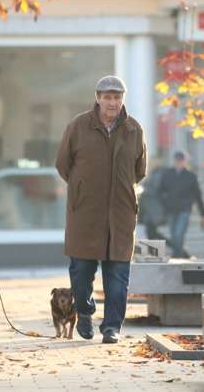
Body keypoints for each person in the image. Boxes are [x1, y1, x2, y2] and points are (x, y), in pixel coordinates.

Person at [55, 75, 147, 344]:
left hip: (120, 214)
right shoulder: (78, 126)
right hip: (85, 213)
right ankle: (83, 311)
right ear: (97, 98)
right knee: (81, 272)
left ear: (122, 100)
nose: (112, 102)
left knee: (118, 274)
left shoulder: (134, 129)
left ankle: (111, 327)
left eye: (117, 97)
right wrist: (83, 188)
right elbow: (63, 164)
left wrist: (121, 192)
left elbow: (139, 170)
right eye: (107, 97)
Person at [158, 152, 204, 259]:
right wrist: (164, 204)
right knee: (173, 235)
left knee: (178, 234)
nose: (179, 162)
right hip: (170, 209)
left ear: (185, 161)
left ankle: (177, 255)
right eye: (177, 160)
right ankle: (181, 254)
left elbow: (198, 196)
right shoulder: (167, 175)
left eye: (181, 160)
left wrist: (203, 213)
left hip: (184, 210)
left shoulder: (191, 177)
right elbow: (160, 191)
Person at [138, 164, 169, 243]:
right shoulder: (157, 182)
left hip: (151, 213)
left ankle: (178, 249)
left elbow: (145, 198)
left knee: (152, 233)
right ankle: (178, 249)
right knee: (152, 233)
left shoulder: (150, 182)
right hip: (153, 213)